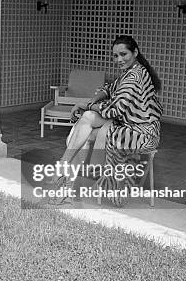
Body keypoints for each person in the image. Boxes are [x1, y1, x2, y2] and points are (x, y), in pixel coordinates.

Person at [59, 35, 162, 206]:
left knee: (84, 124)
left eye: (123, 54)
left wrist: (88, 106)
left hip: (139, 134)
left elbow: (115, 110)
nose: (119, 59)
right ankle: (66, 178)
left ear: (135, 52)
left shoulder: (134, 77)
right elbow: (109, 88)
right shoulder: (133, 71)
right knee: (86, 124)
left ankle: (65, 173)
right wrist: (92, 101)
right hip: (128, 125)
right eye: (115, 56)